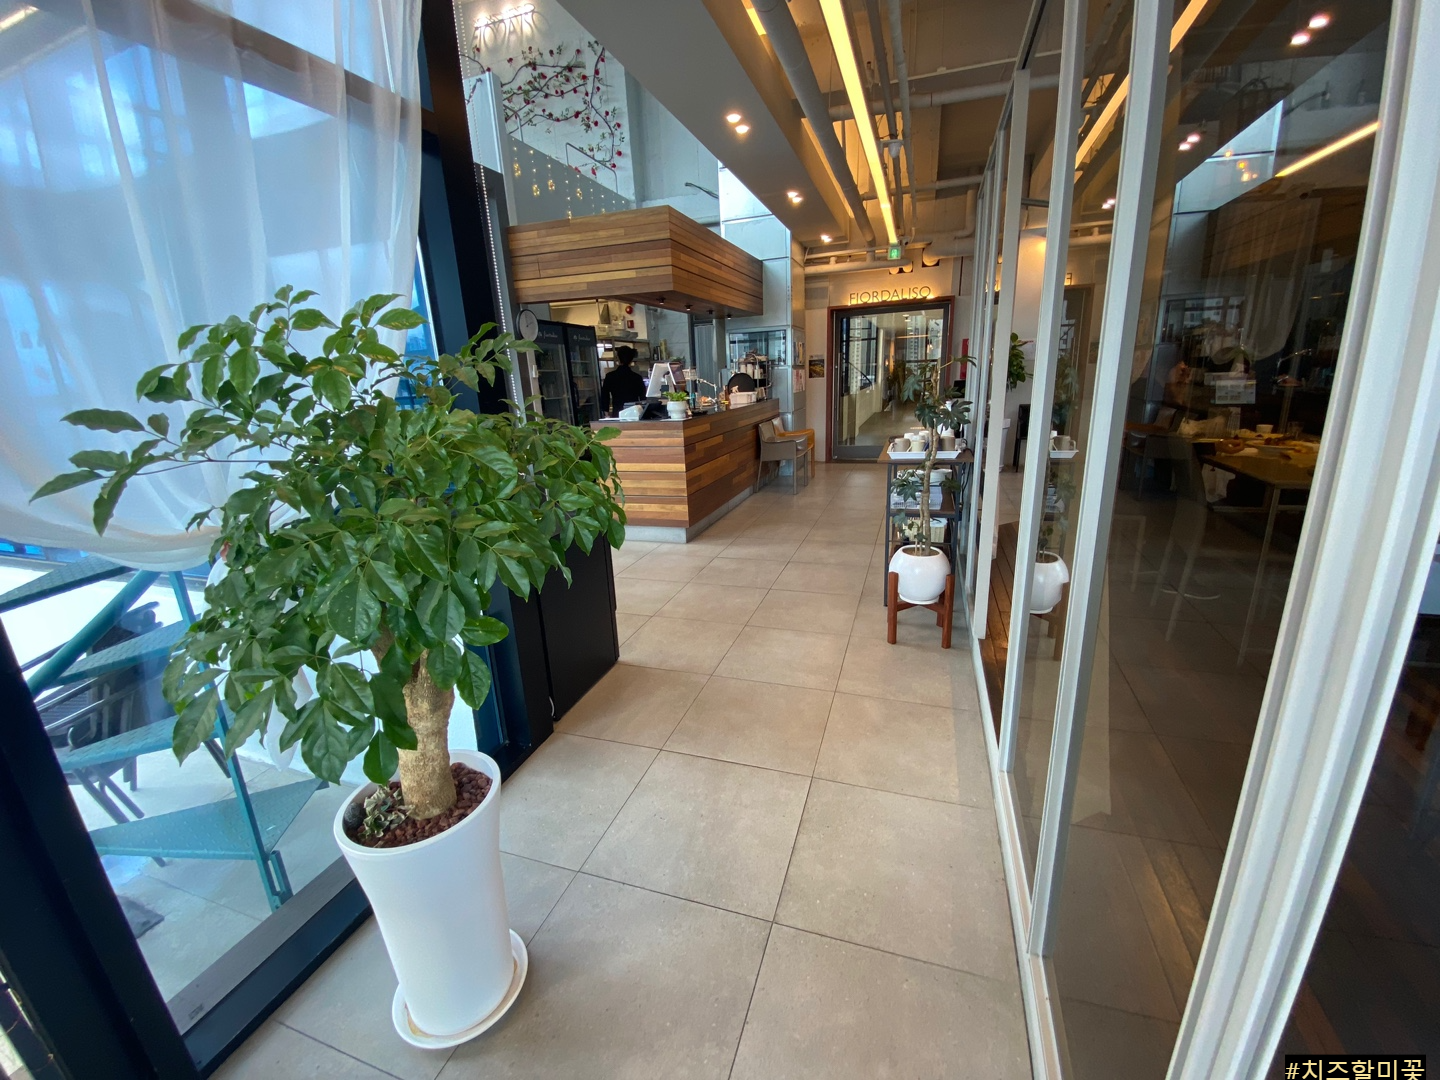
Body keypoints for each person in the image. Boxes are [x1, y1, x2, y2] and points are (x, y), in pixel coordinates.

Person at [600, 345, 646, 417]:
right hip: (634, 413)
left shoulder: (610, 376)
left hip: (617, 412)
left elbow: (605, 397)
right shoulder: (637, 378)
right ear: (631, 360)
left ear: (618, 358)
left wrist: (606, 414)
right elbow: (643, 399)